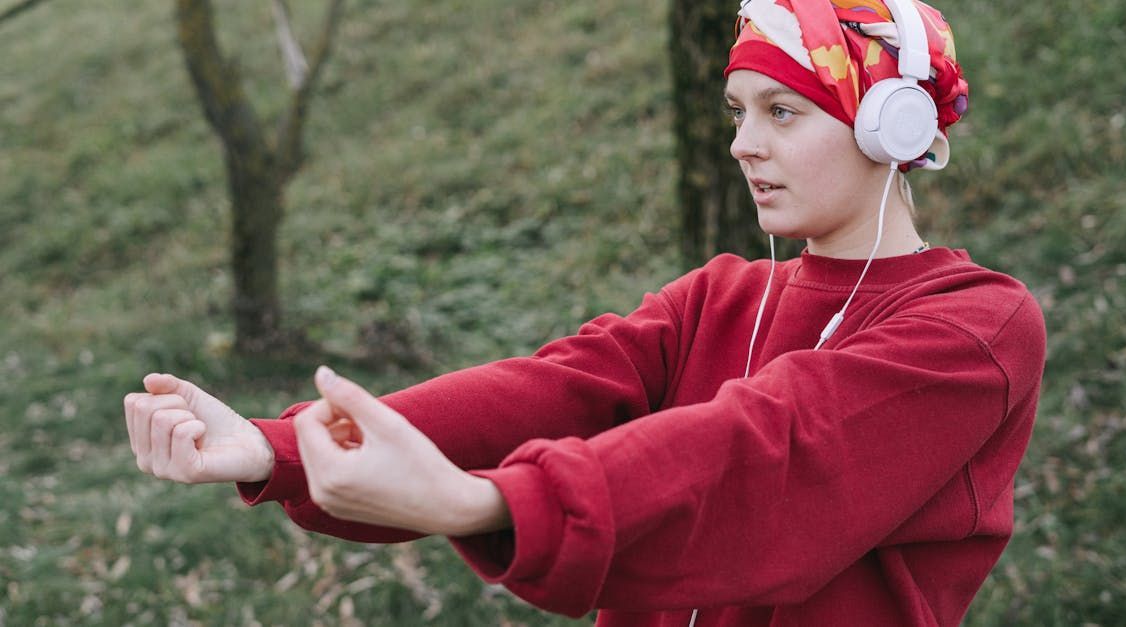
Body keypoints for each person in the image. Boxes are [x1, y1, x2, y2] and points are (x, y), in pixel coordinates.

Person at [123, 0, 1046, 624]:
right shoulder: (718, 296)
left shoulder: (976, 328)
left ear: (894, 128)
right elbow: (546, 391)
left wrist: (484, 502)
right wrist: (274, 447)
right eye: (735, 111)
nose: (742, 145)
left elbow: (770, 448)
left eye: (782, 113)